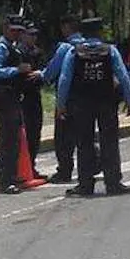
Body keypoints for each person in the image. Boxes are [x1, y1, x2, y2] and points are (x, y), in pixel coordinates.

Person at [56, 17, 130, 197]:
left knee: (84, 143)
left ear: (83, 33)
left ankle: (85, 185)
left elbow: (64, 79)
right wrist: (129, 101)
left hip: (81, 104)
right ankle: (113, 183)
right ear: (100, 32)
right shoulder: (110, 50)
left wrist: (60, 105)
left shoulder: (74, 52)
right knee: (110, 142)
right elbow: (123, 76)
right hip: (106, 102)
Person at [0, 16, 38, 194]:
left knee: (15, 138)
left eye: (19, 30)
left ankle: (12, 174)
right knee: (7, 140)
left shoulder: (14, 48)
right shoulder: (0, 48)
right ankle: (4, 180)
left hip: (14, 97)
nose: (16, 33)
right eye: (13, 30)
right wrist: (16, 70)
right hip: (4, 98)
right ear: (5, 29)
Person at [42, 15, 84, 183]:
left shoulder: (66, 48)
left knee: (63, 138)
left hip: (69, 99)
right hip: (87, 100)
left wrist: (60, 104)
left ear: (67, 28)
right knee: (83, 136)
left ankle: (64, 171)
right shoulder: (90, 47)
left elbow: (56, 74)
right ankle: (90, 166)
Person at [18, 23, 48, 180]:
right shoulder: (17, 52)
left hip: (35, 95)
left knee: (35, 132)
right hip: (22, 96)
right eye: (30, 35)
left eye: (35, 35)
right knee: (25, 132)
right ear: (23, 35)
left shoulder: (37, 52)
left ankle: (32, 166)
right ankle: (21, 168)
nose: (33, 38)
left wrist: (40, 73)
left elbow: (44, 70)